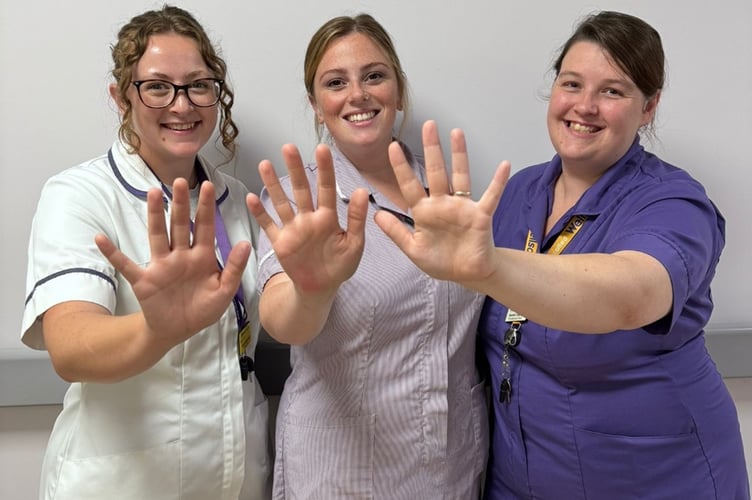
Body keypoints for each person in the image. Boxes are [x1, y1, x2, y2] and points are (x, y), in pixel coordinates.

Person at [375, 10, 750, 500]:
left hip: (656, 479)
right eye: (572, 84)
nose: (585, 106)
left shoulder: (673, 203)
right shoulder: (516, 194)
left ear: (649, 106)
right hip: (520, 477)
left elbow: (630, 295)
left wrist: (490, 266)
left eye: (612, 91)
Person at [21, 5, 271, 499]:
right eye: (158, 86)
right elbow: (70, 347)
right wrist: (157, 329)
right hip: (124, 483)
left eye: (199, 84)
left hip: (235, 477)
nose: (182, 105)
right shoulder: (79, 195)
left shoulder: (238, 203)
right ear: (121, 97)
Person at [246, 13, 488, 499]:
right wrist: (313, 289)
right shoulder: (300, 205)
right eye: (336, 83)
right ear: (317, 106)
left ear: (398, 90)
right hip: (343, 471)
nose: (357, 94)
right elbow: (282, 321)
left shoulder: (446, 193)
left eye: (374, 76)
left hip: (452, 467)